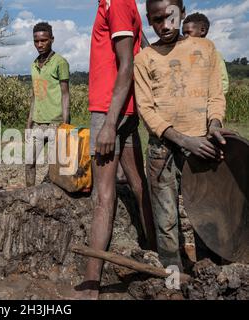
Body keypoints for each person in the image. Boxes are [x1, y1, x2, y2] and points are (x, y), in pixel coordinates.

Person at [134, 0, 231, 270]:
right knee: (166, 222)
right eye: (156, 20)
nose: (164, 26)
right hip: (162, 150)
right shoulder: (144, 59)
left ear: (182, 14)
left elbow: (215, 95)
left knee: (206, 216)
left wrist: (214, 124)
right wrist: (183, 139)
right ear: (148, 20)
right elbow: (146, 109)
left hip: (202, 147)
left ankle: (208, 278)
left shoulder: (205, 49)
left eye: (170, 17)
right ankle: (172, 282)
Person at [77, 0, 157, 299]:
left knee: (103, 196)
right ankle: (155, 251)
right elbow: (144, 49)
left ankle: (90, 284)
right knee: (138, 184)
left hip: (109, 109)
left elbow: (127, 63)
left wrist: (109, 124)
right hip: (125, 109)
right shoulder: (124, 4)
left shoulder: (117, 2)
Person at [25, 22, 70, 187]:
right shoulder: (33, 65)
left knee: (54, 167)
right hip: (37, 122)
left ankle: (53, 199)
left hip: (55, 123)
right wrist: (29, 123)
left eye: (43, 40)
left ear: (52, 39)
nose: (39, 45)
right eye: (36, 41)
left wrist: (65, 125)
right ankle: (29, 194)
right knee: (29, 163)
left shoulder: (60, 62)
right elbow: (35, 95)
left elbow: (65, 94)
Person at [182, 12, 230, 95]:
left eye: (188, 32)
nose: (185, 36)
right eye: (183, 33)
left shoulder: (213, 55)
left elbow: (223, 83)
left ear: (202, 31)